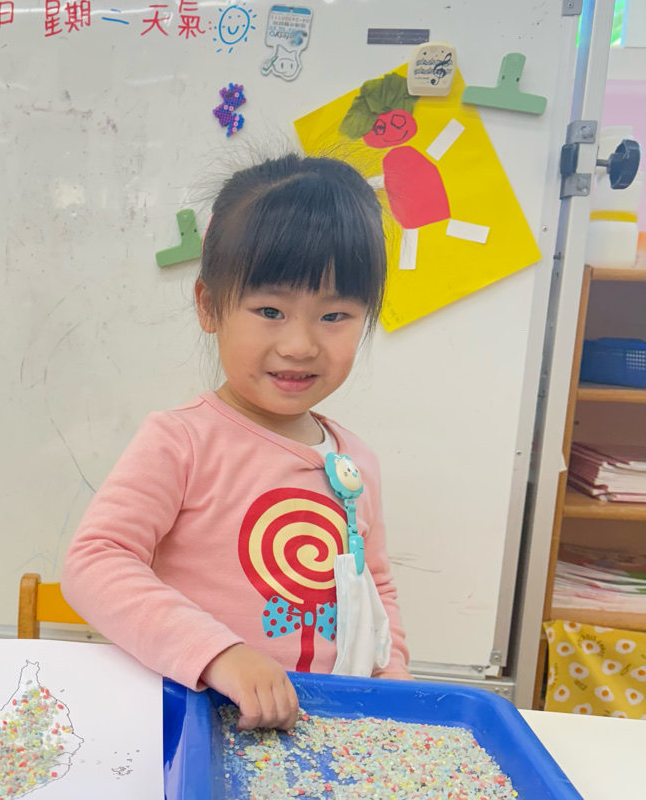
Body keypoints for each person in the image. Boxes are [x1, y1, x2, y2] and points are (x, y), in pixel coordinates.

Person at [62, 154, 411, 733]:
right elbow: (95, 561)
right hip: (192, 726)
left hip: (320, 734)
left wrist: (393, 688)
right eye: (270, 310)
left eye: (335, 316)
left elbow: (377, 590)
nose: (300, 345)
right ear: (208, 305)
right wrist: (219, 654)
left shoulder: (356, 461)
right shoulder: (183, 440)